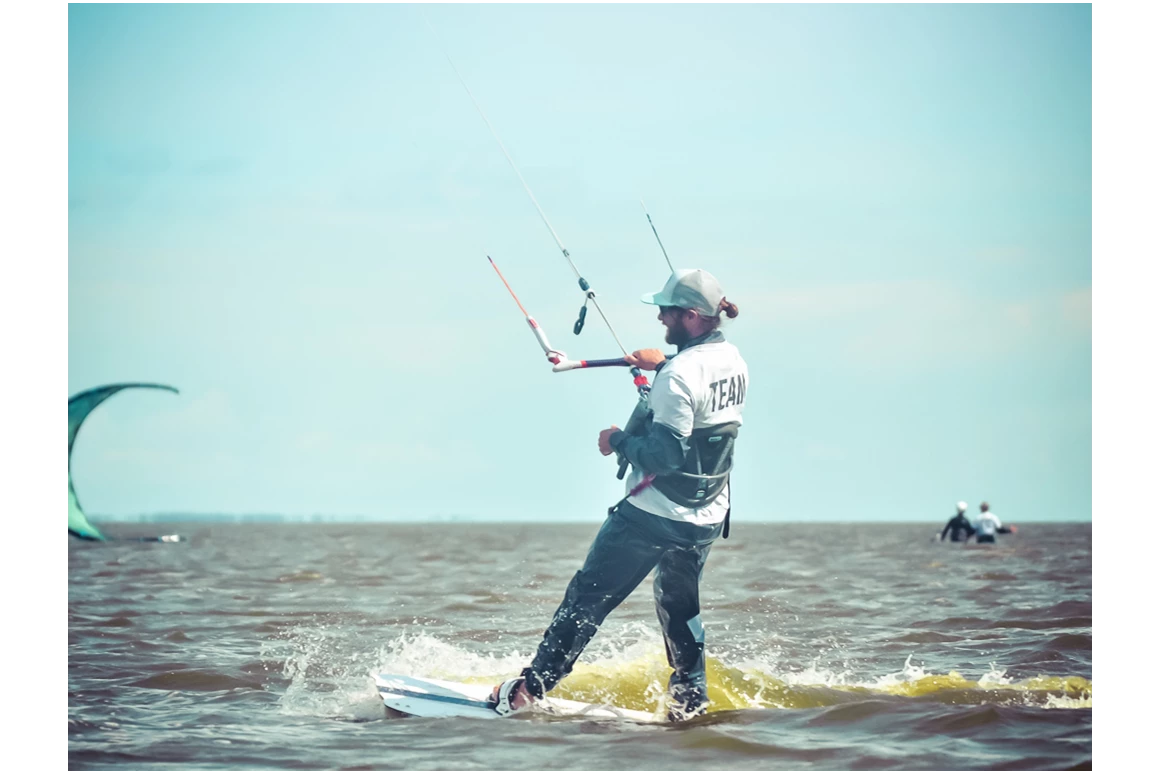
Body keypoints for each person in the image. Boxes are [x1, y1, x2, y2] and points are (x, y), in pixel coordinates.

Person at [489, 268, 749, 722]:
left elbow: (664, 455)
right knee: (679, 608)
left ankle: (528, 692)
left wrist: (617, 441)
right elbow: (696, 393)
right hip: (706, 515)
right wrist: (662, 365)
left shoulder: (679, 375)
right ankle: (690, 701)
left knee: (587, 599)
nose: (660, 319)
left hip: (653, 514)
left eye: (666, 312)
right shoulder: (732, 359)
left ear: (690, 316)